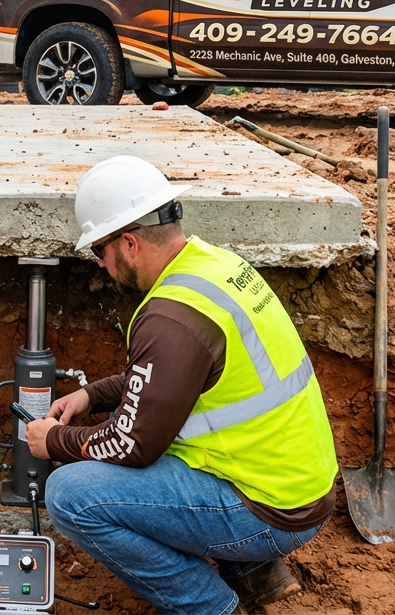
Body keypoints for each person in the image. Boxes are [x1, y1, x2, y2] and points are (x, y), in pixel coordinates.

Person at [25, 155, 338, 615]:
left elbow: (133, 444)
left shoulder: (170, 318)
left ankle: (209, 605)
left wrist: (55, 441)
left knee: (70, 494)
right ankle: (254, 572)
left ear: (129, 243)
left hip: (270, 513)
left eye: (100, 251)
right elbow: (166, 383)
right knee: (121, 415)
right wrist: (92, 394)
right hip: (292, 484)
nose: (100, 265)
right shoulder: (213, 267)